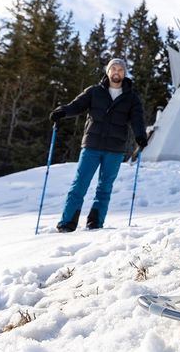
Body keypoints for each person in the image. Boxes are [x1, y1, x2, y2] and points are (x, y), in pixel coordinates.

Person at [50, 58, 148, 233]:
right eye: (113, 69)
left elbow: (137, 119)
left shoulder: (131, 97)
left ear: (124, 73)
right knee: (79, 184)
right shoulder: (94, 92)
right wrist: (63, 111)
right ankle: (67, 223)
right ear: (108, 72)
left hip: (115, 149)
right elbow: (76, 105)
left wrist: (141, 136)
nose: (117, 72)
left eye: (120, 69)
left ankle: (95, 223)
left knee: (104, 188)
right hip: (92, 146)